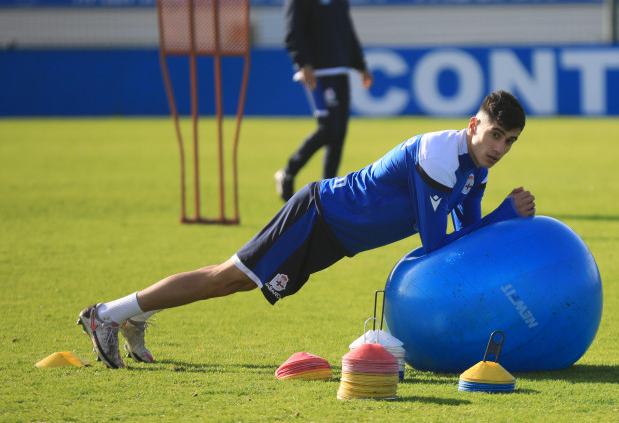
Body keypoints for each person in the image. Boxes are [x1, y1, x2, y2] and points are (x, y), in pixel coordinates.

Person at [77, 90, 536, 369]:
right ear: (475, 124)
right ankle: (109, 314)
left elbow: (470, 240)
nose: (501, 147)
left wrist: (496, 218)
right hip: (318, 215)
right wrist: (504, 215)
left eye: (510, 142)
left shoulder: (474, 172)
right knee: (227, 279)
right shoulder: (439, 155)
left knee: (229, 279)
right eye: (495, 134)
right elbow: (436, 245)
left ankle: (135, 315)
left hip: (335, 237)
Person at [275, 0, 374, 202]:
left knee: (339, 132)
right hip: (317, 69)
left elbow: (346, 27)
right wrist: (302, 62)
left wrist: (360, 64)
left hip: (340, 66)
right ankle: (289, 171)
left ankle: (326, 194)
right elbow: (293, 28)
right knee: (329, 128)